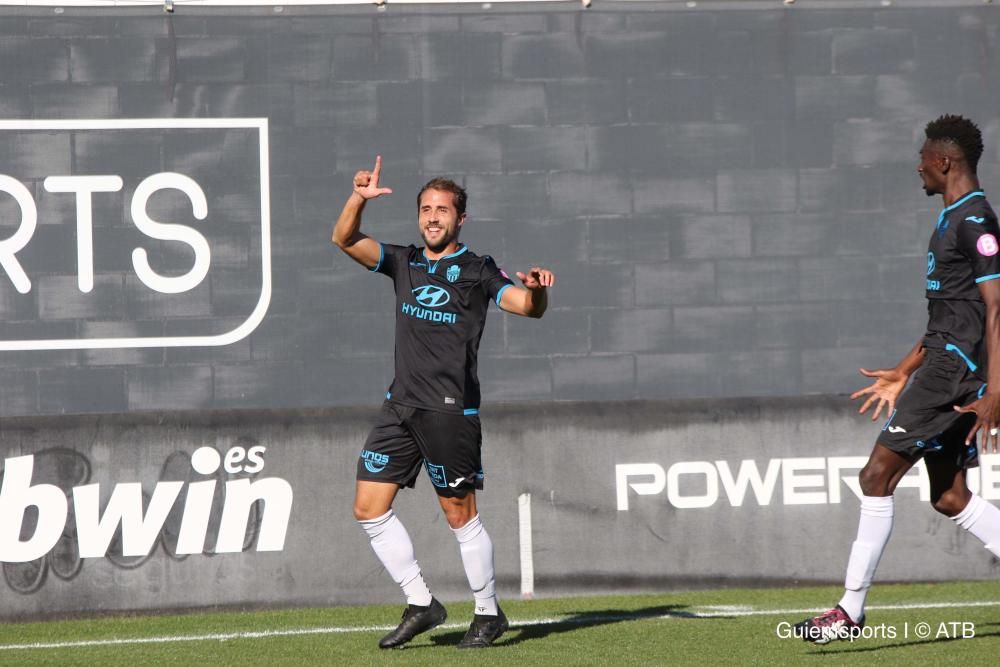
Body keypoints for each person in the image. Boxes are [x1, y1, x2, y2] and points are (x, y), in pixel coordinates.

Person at [332, 156, 554, 649]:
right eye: (426, 209)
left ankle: (488, 613)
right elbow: (344, 239)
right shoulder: (403, 261)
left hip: (450, 411)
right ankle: (421, 603)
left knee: (459, 515)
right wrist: (358, 199)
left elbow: (525, 307)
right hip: (400, 408)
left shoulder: (477, 269)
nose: (433, 217)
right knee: (368, 508)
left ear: (460, 219)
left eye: (443, 210)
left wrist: (536, 293)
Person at [794, 115, 1000, 644]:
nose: (918, 166)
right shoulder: (952, 217)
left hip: (953, 375)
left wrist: (996, 391)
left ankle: (848, 613)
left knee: (875, 477)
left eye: (924, 158)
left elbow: (997, 309)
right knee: (950, 496)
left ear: (944, 161)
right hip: (946, 366)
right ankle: (849, 612)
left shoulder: (974, 221)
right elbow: (949, 317)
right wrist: (903, 370)